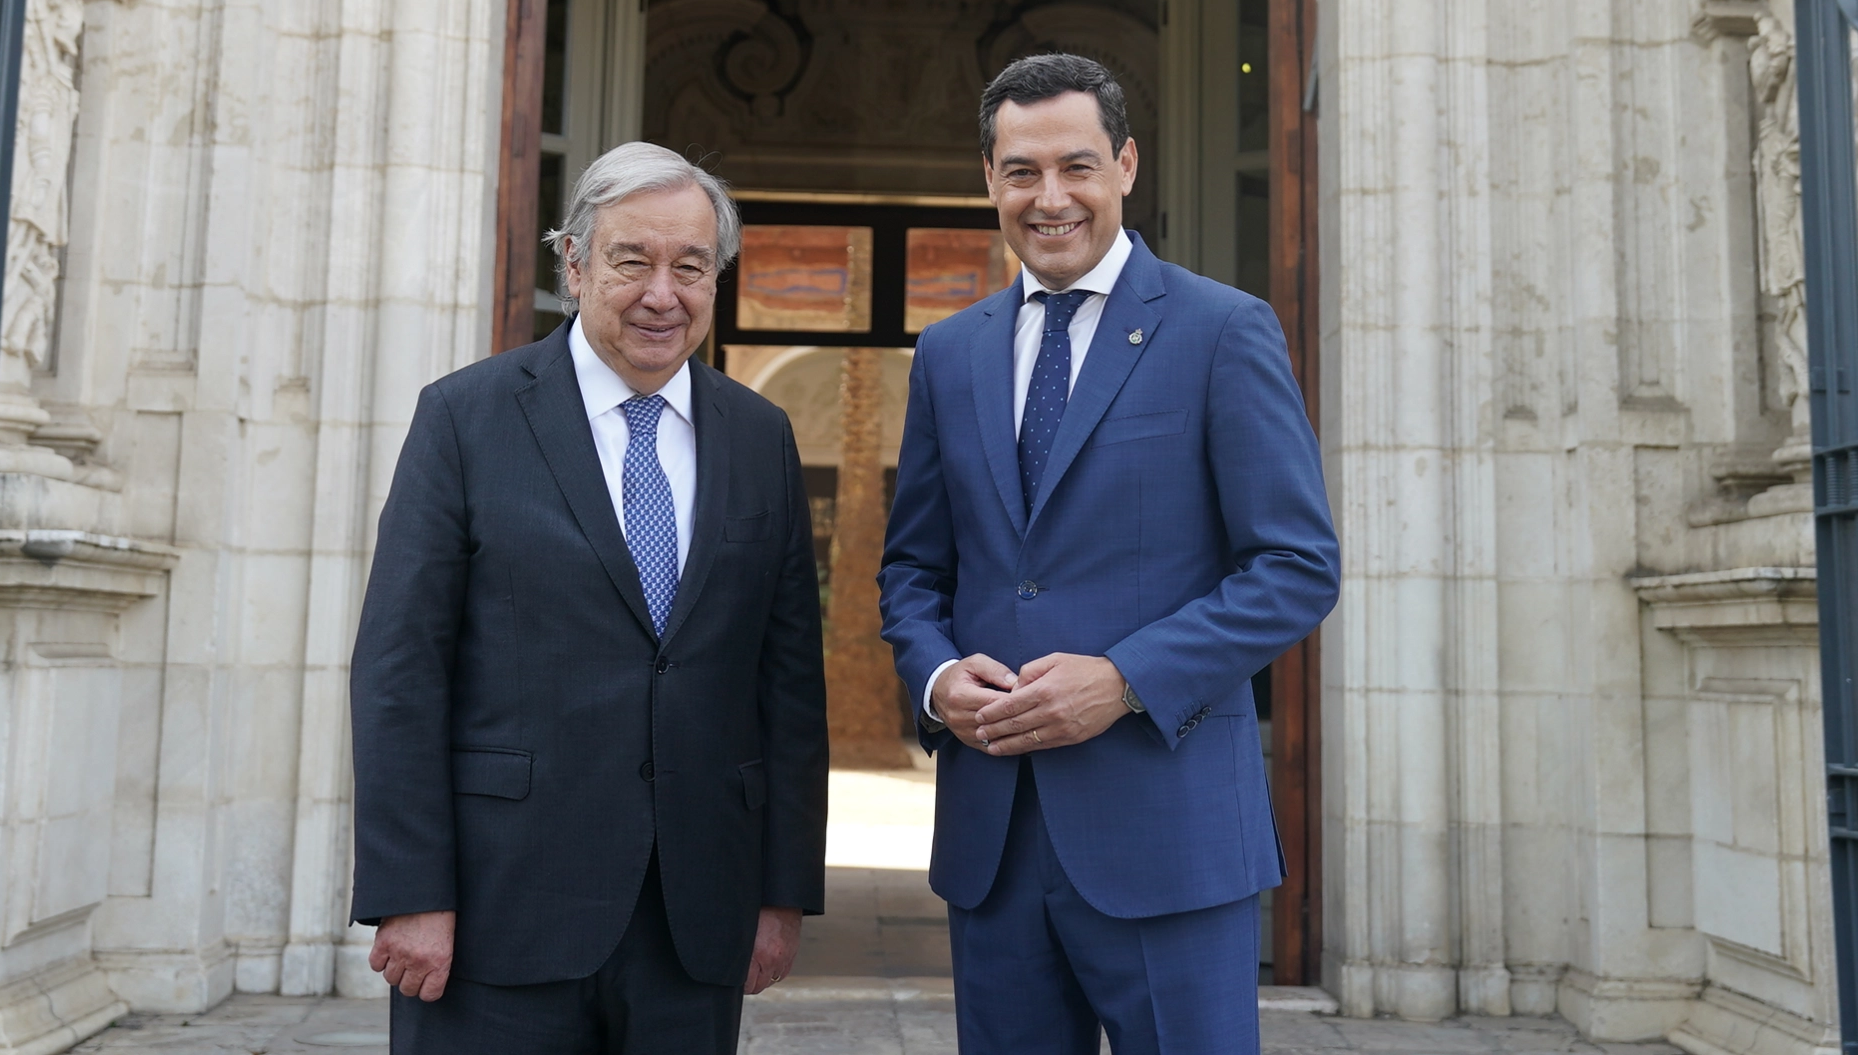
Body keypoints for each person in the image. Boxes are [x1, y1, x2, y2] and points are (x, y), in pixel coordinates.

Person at [881, 53, 1340, 1052]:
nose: (1050, 198)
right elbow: (914, 570)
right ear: (989, 180)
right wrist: (937, 677)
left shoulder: (1223, 330)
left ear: (1127, 166)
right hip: (993, 845)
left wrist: (1125, 680)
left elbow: (1297, 567)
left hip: (1168, 836)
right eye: (1021, 171)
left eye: (1077, 167)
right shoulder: (949, 353)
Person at [351, 143, 829, 1053]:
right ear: (572, 263)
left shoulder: (760, 436)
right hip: (497, 914)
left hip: (694, 923)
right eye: (632, 261)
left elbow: (789, 683)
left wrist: (781, 889)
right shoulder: (465, 417)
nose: (663, 292)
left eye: (690, 266)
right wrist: (411, 891)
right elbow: (399, 668)